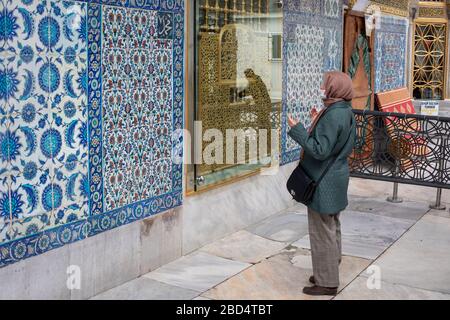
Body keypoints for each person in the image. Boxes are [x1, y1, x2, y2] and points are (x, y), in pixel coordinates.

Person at [287, 71, 356, 296]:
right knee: (332, 226)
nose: (322, 88)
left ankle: (326, 283)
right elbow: (333, 141)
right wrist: (318, 119)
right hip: (336, 178)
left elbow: (319, 150)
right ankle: (328, 270)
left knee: (321, 231)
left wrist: (297, 128)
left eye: (325, 85)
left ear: (334, 88)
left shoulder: (334, 114)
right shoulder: (343, 110)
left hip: (323, 183)